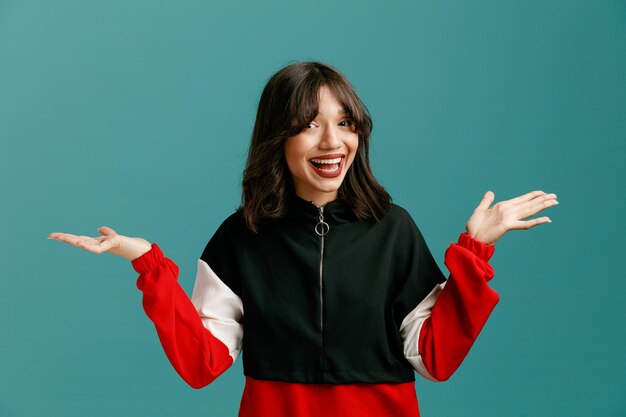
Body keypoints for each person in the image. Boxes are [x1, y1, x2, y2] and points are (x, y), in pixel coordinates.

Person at [48, 61, 558, 417]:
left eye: (345, 123)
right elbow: (204, 362)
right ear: (279, 139)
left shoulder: (393, 229)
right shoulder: (241, 236)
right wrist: (148, 264)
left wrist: (475, 251)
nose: (333, 142)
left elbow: (434, 358)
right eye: (309, 125)